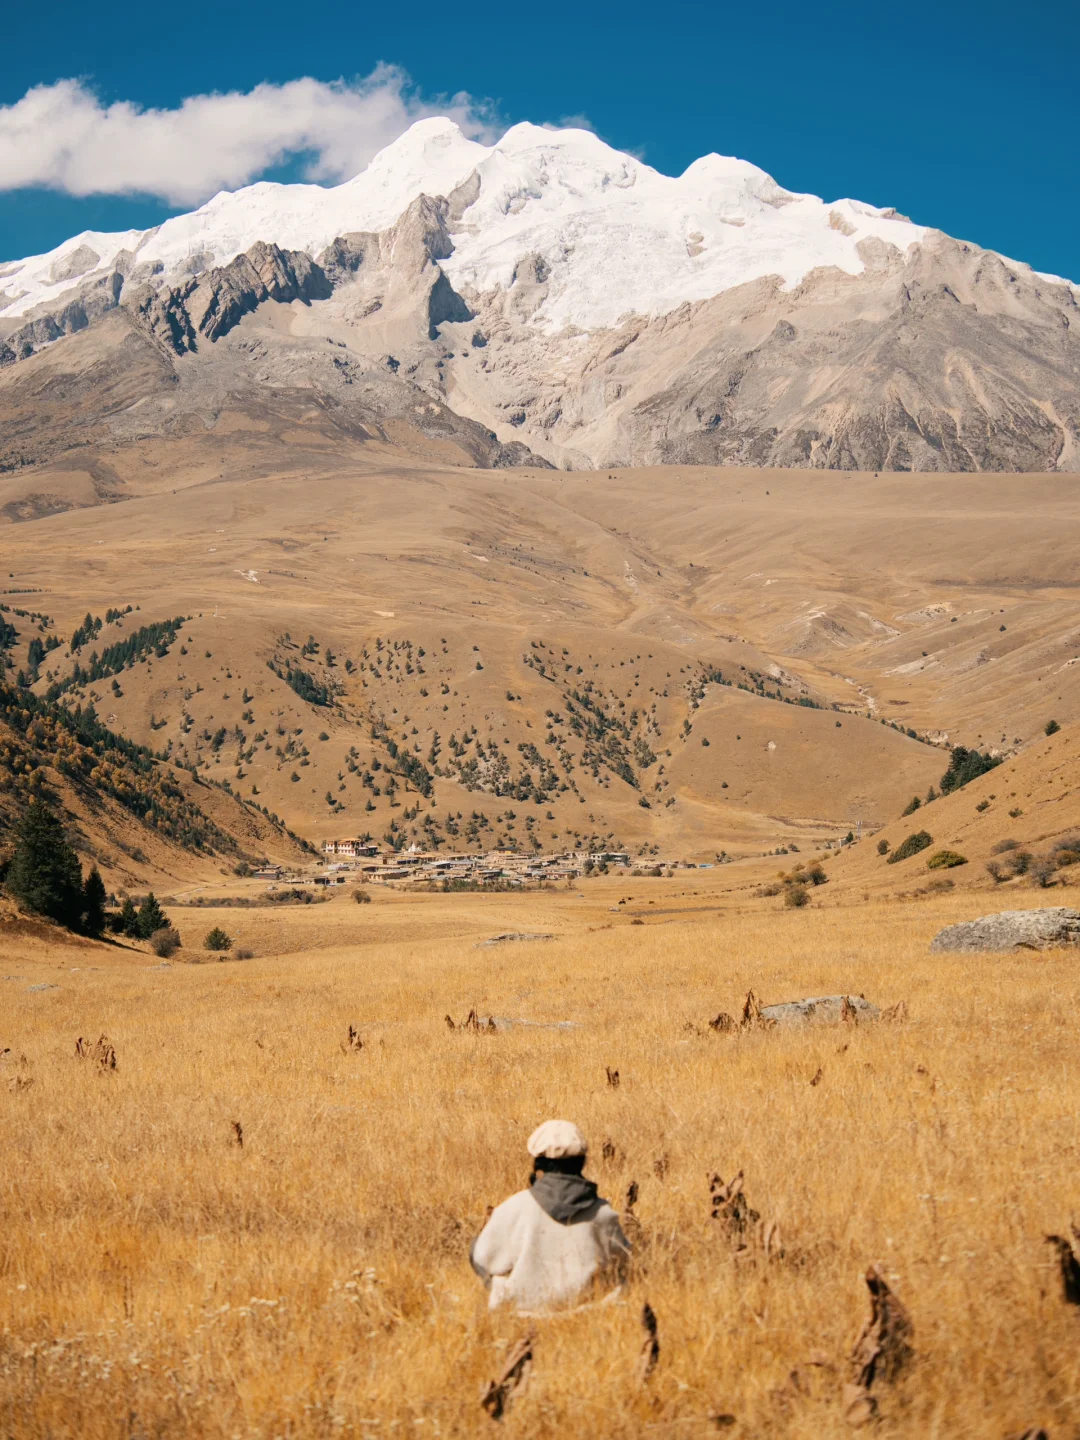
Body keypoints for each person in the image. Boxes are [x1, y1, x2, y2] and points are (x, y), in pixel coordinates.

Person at [470, 1119, 631, 1311]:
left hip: (523, 1316)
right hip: (589, 1312)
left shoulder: (514, 1207)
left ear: (538, 1163)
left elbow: (481, 1260)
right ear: (582, 1163)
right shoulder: (603, 1213)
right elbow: (624, 1261)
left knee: (496, 1272)